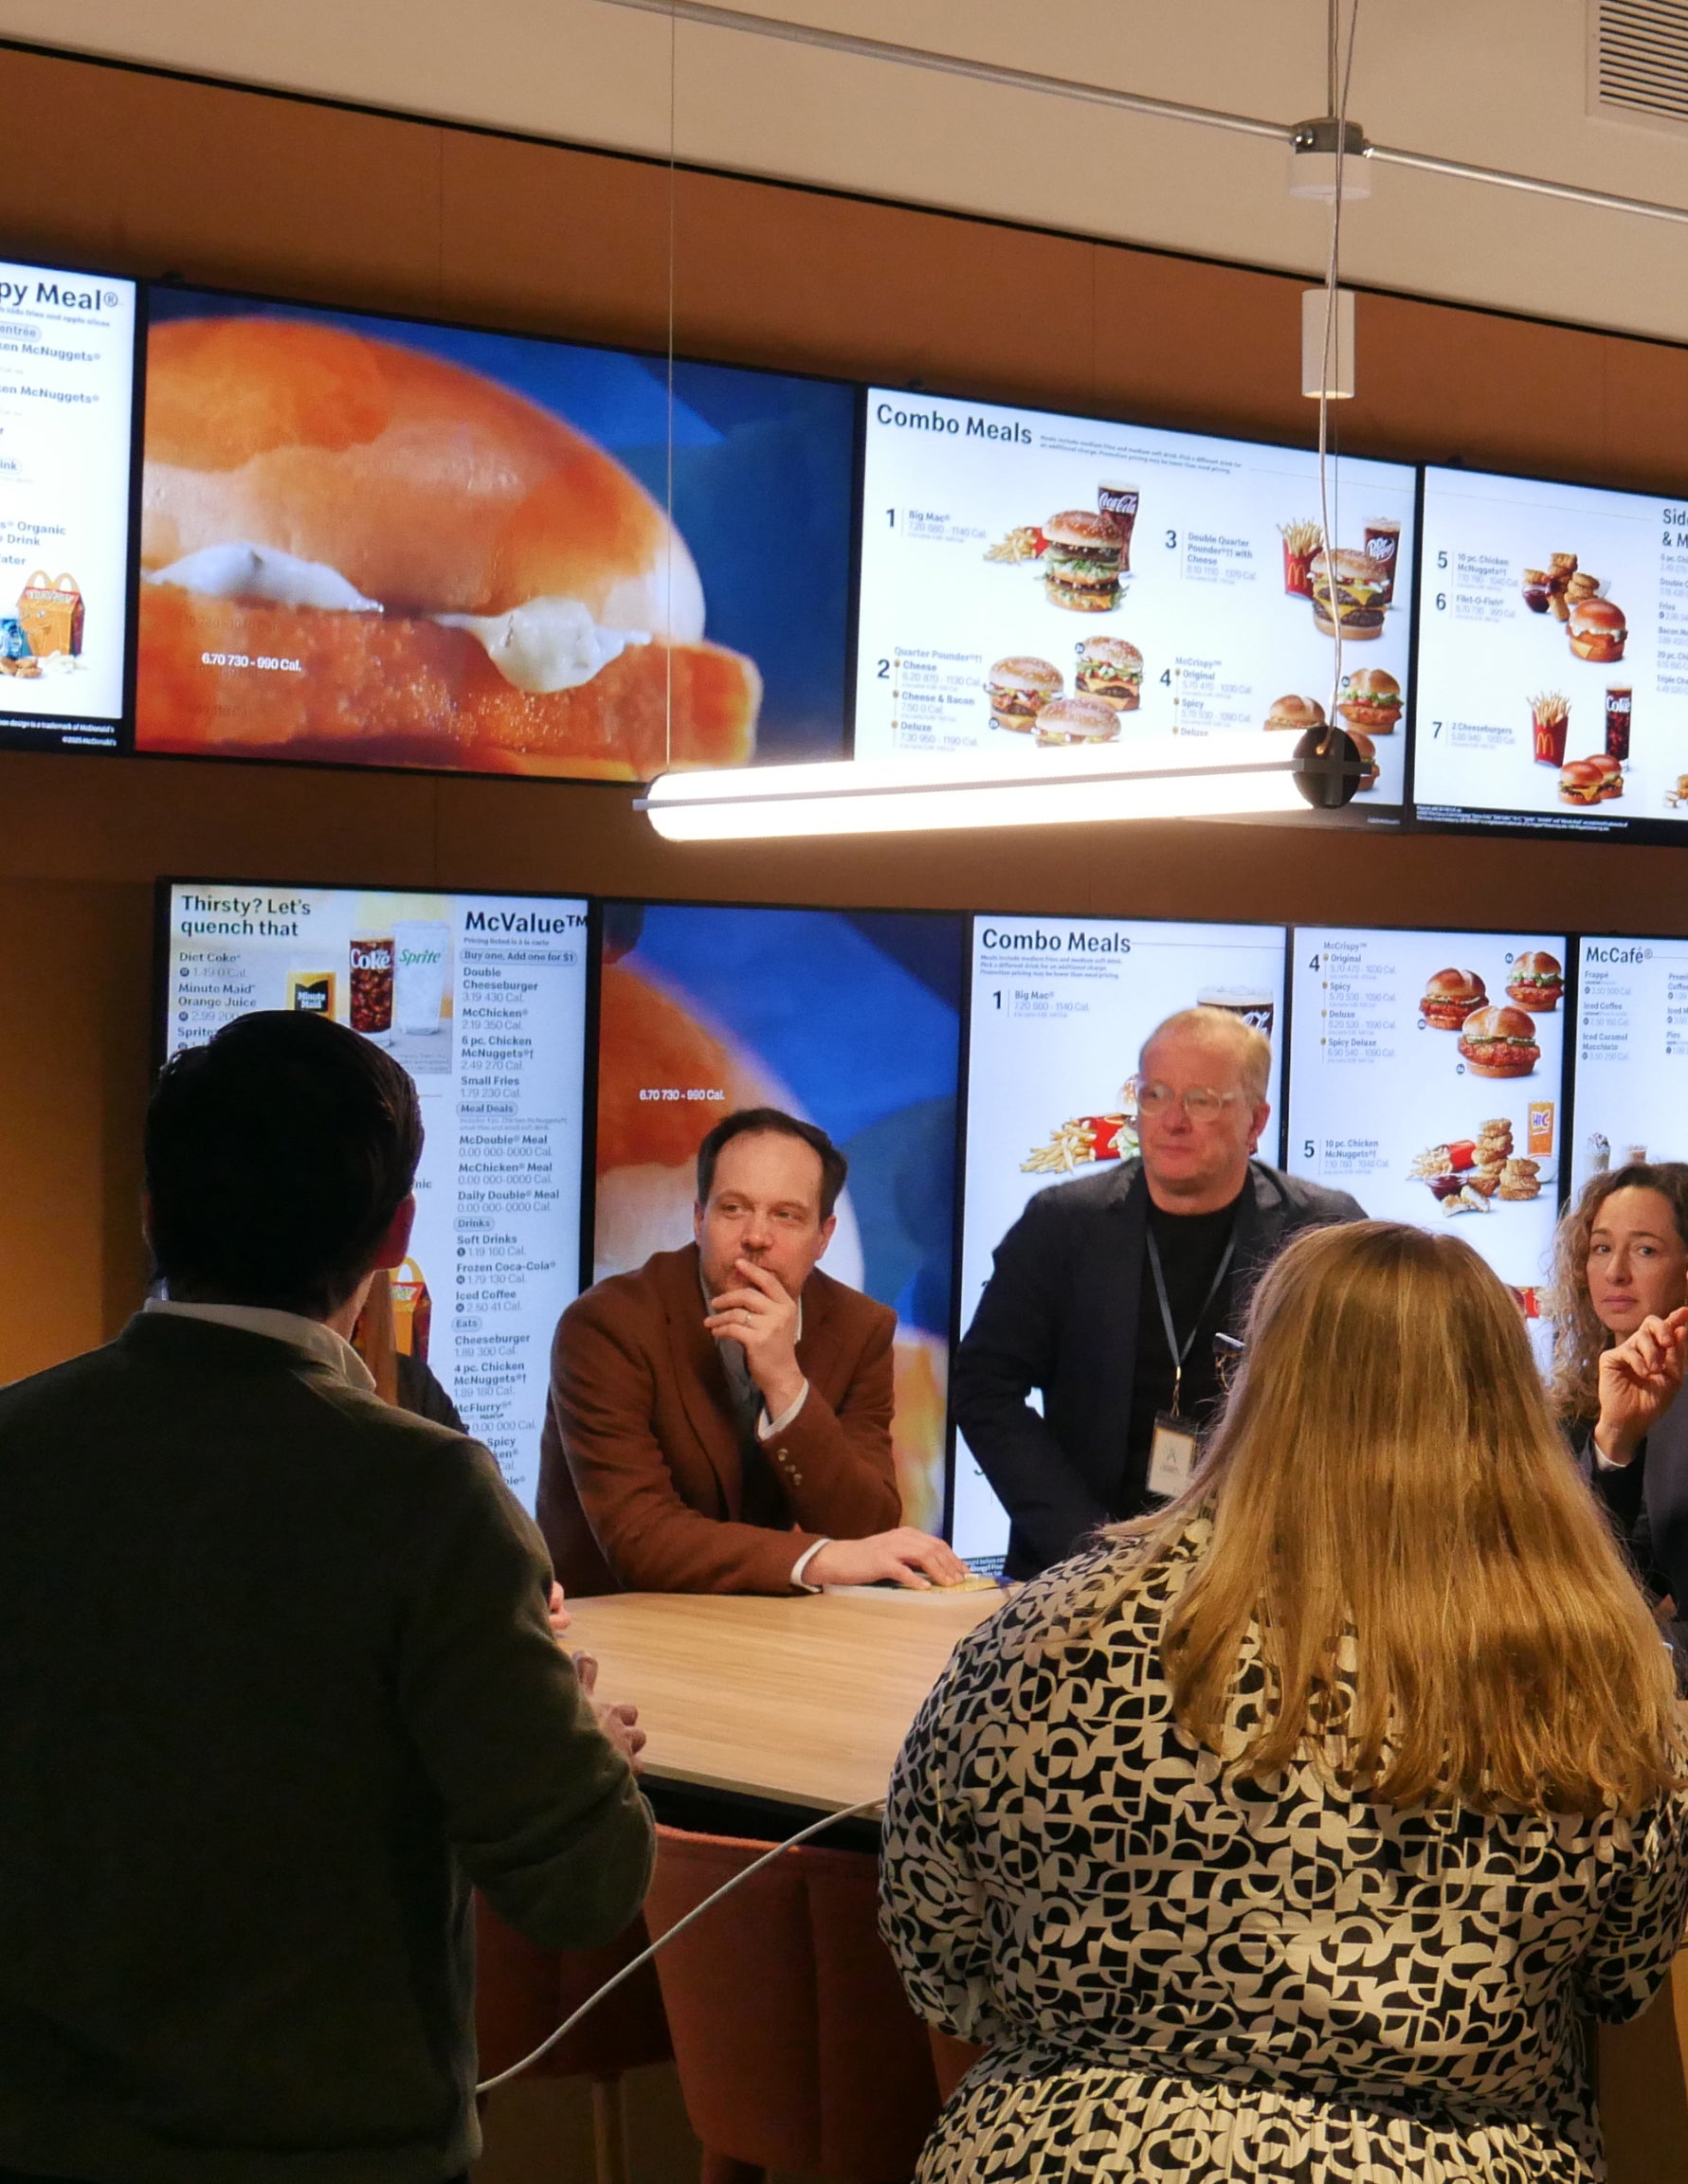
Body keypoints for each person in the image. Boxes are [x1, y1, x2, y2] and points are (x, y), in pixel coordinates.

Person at [881, 1222, 1688, 2184]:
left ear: (1255, 1384)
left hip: (1063, 2152)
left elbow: (934, 1950)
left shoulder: (1048, 1630)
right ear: (1502, 1406)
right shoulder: (1583, 1668)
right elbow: (1625, 1969)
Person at [0, 1011, 654, 2184]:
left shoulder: (15, 1446)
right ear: (396, 1233)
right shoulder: (427, 1493)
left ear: (151, 1207)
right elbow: (580, 1886)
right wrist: (580, 1745)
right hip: (340, 2152)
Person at [953, 1004, 1363, 1579]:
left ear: (1255, 1123)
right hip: (1077, 1570)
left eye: (1201, 1101)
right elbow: (984, 1387)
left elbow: (1368, 1404)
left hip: (1260, 1571)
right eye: (1154, 1095)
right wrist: (1084, 1545)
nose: (1172, 1120)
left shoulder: (1319, 1232)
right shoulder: (1063, 1223)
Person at [540, 1107, 967, 1595]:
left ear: (823, 1237)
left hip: (765, 1624)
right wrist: (819, 1560)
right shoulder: (606, 1327)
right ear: (699, 1219)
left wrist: (786, 1385)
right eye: (733, 1209)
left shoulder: (859, 1328)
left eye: (786, 1216)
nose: (757, 1238)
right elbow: (641, 1537)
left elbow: (866, 1526)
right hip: (613, 1623)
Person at [1551, 1162, 1688, 1630]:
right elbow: (1582, 1572)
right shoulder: (1572, 1406)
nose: (1615, 1272)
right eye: (1601, 1248)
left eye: (1645, 1250)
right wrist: (1614, 1442)